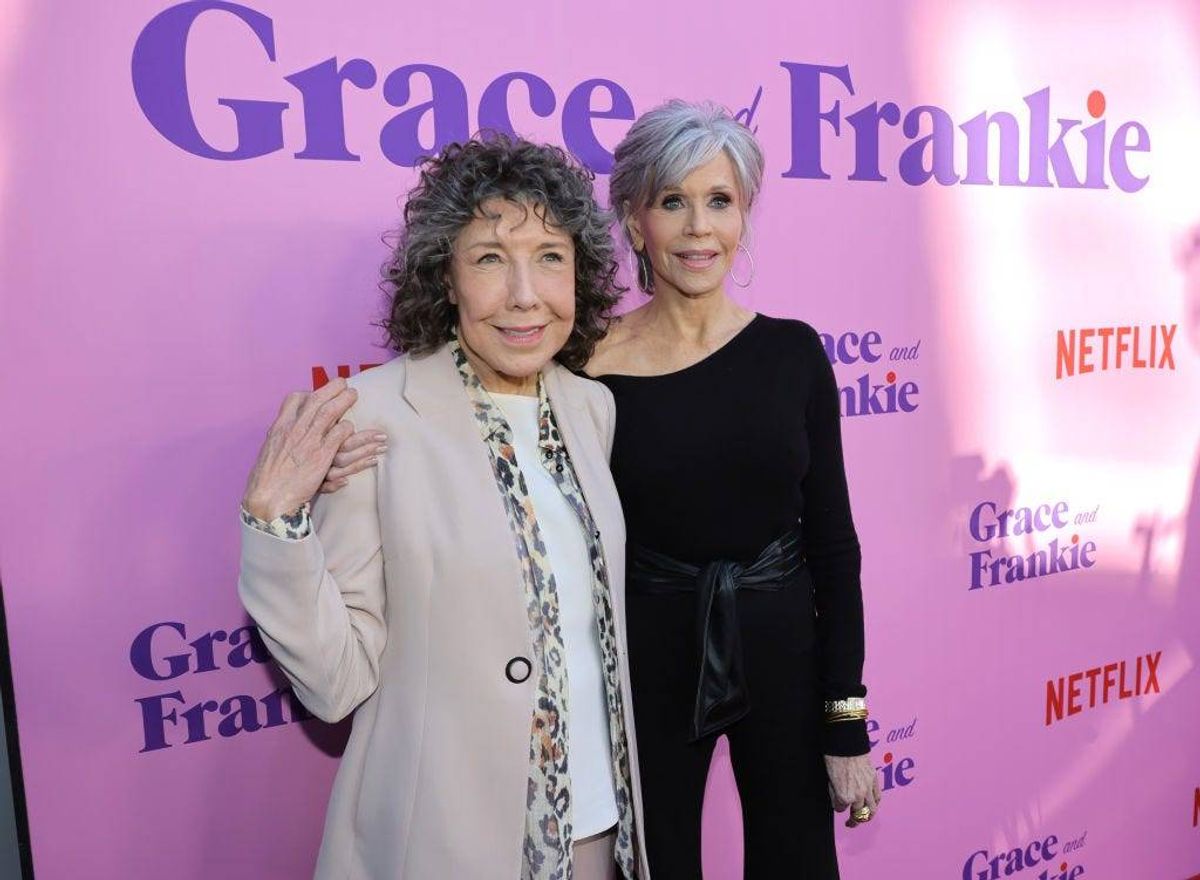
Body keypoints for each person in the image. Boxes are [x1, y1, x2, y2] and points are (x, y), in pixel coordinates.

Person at [237, 135, 648, 880]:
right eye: (490, 258)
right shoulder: (373, 417)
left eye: (550, 256)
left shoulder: (591, 408)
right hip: (446, 846)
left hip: (598, 834)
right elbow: (335, 683)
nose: (525, 294)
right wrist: (275, 523)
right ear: (446, 279)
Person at [584, 100, 880, 879]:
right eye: (671, 201)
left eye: (719, 201)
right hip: (648, 653)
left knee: (796, 862)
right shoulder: (588, 366)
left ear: (744, 214)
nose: (697, 229)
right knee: (655, 865)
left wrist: (844, 721)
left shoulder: (792, 354)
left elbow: (834, 546)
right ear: (634, 216)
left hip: (783, 642)